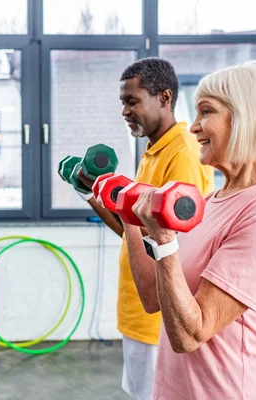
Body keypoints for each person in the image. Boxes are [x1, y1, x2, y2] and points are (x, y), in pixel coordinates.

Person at [127, 61, 256, 399]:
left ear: (247, 117)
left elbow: (191, 333)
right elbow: (154, 298)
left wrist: (165, 242)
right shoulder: (213, 200)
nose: (193, 127)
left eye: (206, 112)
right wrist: (130, 217)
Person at [75, 57, 214, 399]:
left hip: (158, 320)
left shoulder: (182, 154)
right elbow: (133, 231)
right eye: (123, 102)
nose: (124, 111)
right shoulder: (152, 151)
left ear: (164, 98)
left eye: (131, 101)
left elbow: (170, 245)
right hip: (138, 313)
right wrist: (93, 195)